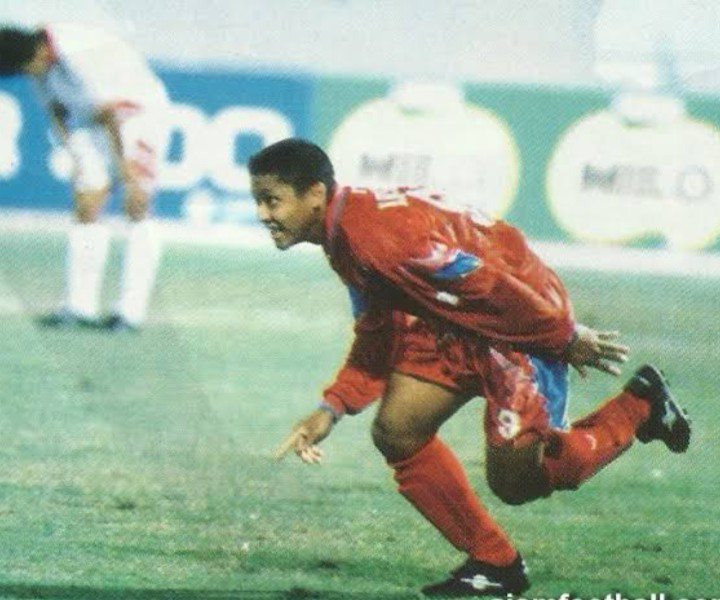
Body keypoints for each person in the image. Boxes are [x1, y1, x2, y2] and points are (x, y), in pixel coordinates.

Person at [249, 138, 691, 596]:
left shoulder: (375, 239)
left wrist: (562, 336)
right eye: (258, 201)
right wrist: (334, 406)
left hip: (515, 323)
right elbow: (379, 328)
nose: (262, 214)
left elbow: (489, 283)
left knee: (516, 484)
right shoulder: (349, 234)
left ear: (315, 194)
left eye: (271, 200)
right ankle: (495, 563)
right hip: (458, 319)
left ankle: (639, 407)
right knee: (398, 430)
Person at [0, 23, 170, 332]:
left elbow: (111, 113)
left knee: (137, 204)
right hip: (92, 121)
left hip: (136, 113)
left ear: (38, 52)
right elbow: (57, 112)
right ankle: (79, 307)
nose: (30, 74)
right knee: (86, 205)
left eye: (27, 68)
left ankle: (129, 313)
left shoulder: (80, 55)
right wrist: (76, 156)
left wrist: (127, 172)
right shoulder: (36, 63)